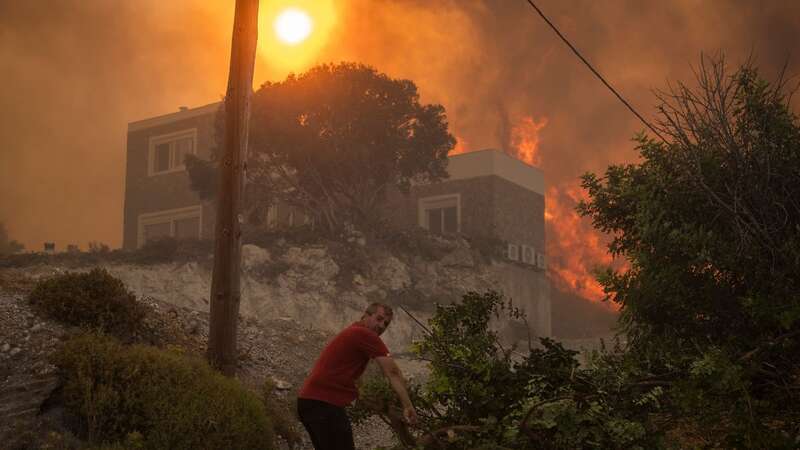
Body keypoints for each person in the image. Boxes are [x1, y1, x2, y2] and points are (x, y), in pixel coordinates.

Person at [297, 302, 418, 449]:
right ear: (365, 315)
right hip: (323, 403)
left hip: (311, 401)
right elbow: (393, 372)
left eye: (385, 324)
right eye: (378, 319)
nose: (381, 326)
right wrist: (408, 406)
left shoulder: (354, 331)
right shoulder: (365, 334)